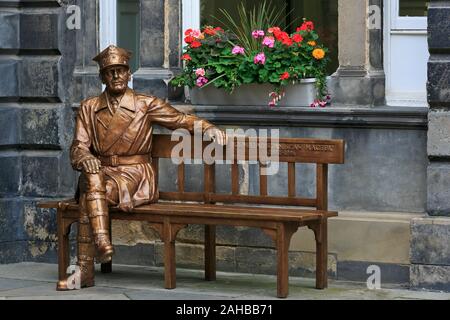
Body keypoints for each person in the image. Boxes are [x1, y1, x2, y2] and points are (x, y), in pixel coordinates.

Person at [57, 45, 226, 290]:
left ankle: (85, 269)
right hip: (102, 174)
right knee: (92, 179)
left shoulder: (145, 104)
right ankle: (102, 243)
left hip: (135, 176)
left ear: (128, 74)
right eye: (110, 71)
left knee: (89, 191)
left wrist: (207, 127)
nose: (115, 76)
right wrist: (85, 158)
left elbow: (179, 120)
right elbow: (78, 147)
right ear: (102, 77)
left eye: (120, 70)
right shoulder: (89, 107)